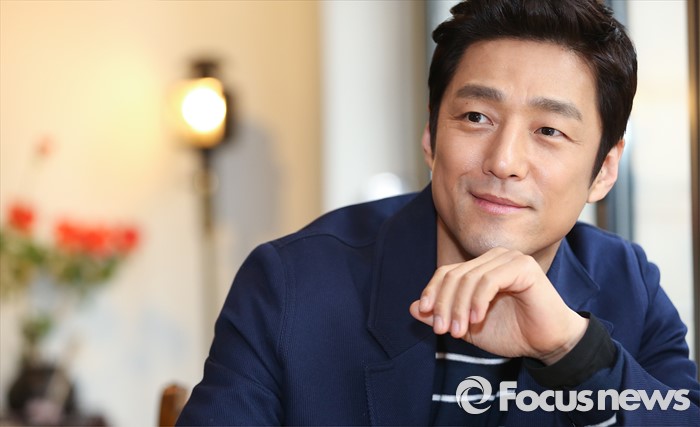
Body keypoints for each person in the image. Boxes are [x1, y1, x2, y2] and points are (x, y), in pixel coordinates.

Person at [177, 0, 700, 425]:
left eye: (549, 131)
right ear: (431, 135)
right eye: (475, 117)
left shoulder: (630, 287)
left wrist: (573, 351)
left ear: (604, 170)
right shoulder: (292, 283)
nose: (504, 161)